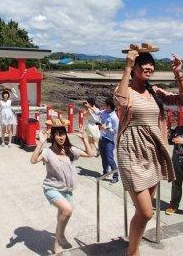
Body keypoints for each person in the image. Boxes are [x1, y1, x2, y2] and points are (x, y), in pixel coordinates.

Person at [114, 43, 183, 256]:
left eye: (151, 64)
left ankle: (133, 249)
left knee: (142, 211)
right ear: (135, 66)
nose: (148, 67)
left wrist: (179, 75)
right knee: (147, 212)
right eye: (143, 63)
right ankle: (132, 252)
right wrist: (127, 67)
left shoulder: (155, 91)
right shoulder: (126, 90)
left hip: (153, 152)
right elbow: (119, 102)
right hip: (130, 151)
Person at [30, 119, 94, 254]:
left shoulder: (70, 150)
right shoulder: (48, 152)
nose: (61, 137)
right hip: (51, 189)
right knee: (67, 210)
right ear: (53, 136)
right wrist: (41, 143)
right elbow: (33, 160)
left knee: (62, 215)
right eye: (58, 134)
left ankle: (61, 234)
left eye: (63, 134)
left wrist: (85, 139)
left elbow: (90, 154)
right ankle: (57, 242)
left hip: (67, 190)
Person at [98, 96, 120, 183]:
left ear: (109, 106)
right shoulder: (104, 112)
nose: (104, 106)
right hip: (102, 138)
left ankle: (115, 176)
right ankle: (105, 172)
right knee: (103, 157)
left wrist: (106, 128)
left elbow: (115, 131)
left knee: (109, 158)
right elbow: (97, 113)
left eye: (105, 105)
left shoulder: (114, 118)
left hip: (109, 141)